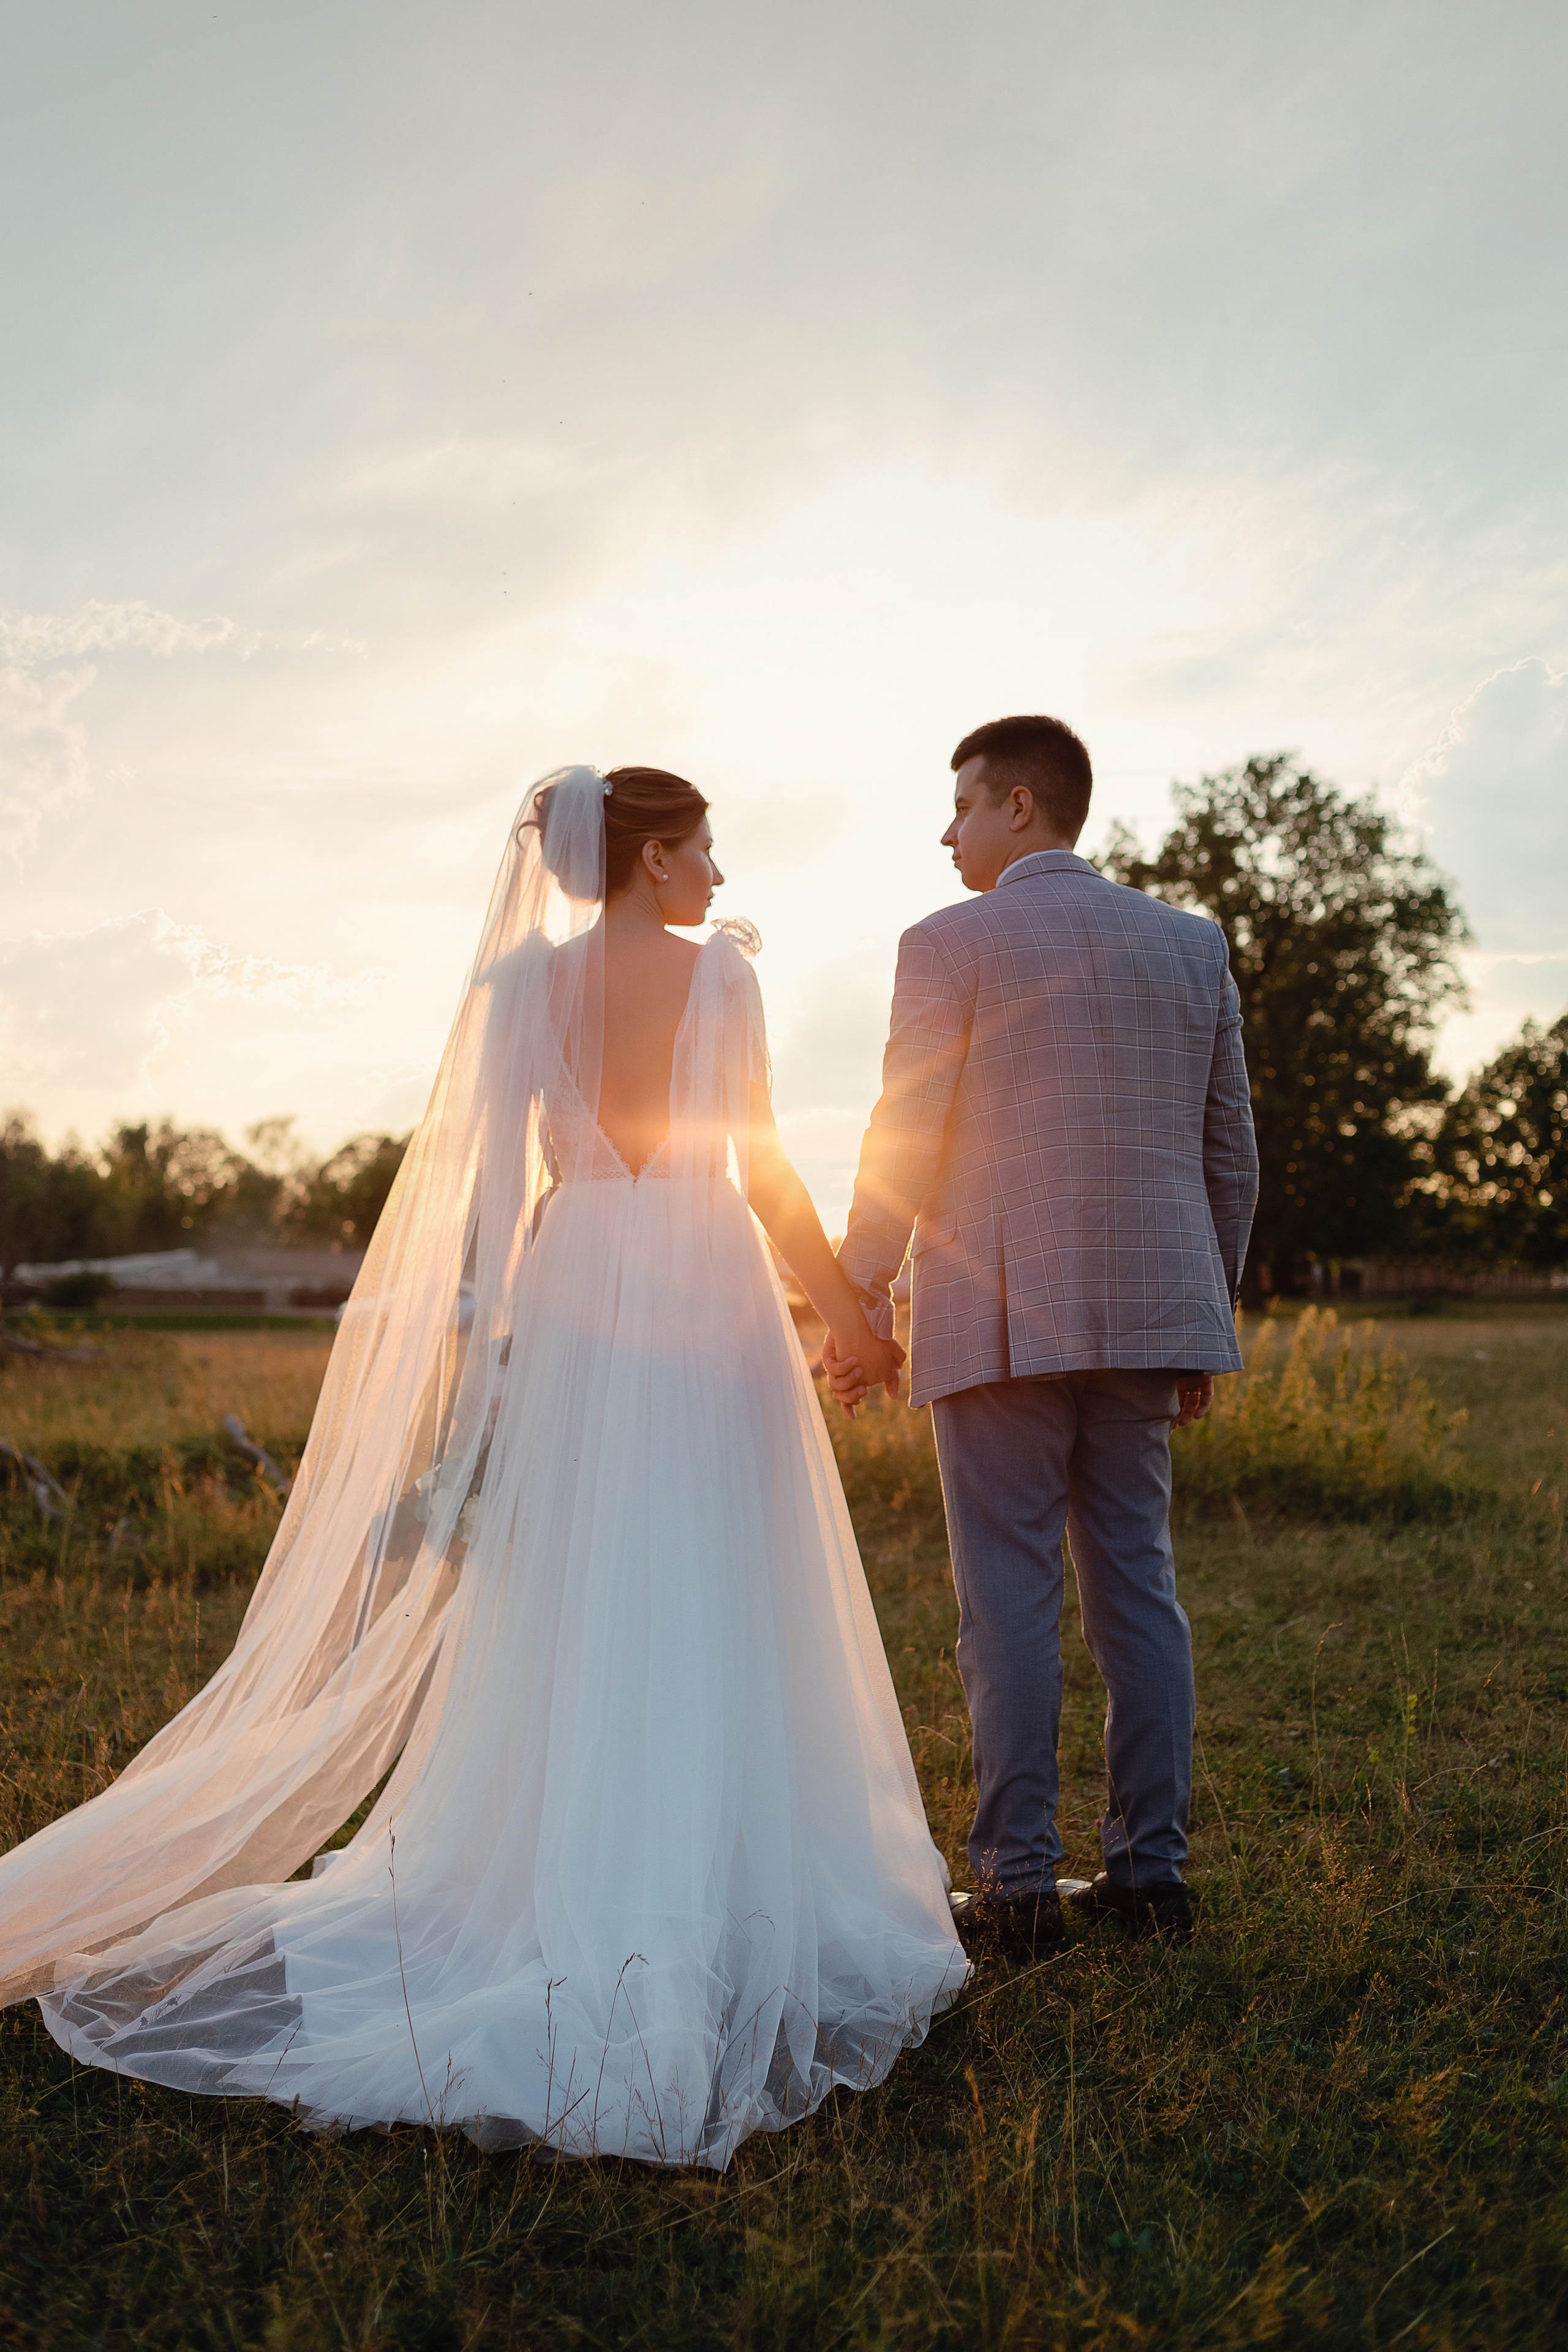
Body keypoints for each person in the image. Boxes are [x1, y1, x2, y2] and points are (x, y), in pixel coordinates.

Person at [0, 766, 965, 2168]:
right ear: (650, 857)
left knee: (577, 1581)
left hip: (575, 1281)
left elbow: (496, 1201)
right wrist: (848, 1321)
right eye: (703, 848)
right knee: (719, 1562)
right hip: (704, 1278)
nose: (716, 873)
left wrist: (501, 1363)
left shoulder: (522, 987)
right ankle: (710, 1876)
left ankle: (566, 1856)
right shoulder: (721, 978)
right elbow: (760, 1171)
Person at [824, 717, 1258, 1961]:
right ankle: (1151, 1877)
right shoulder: (1190, 943)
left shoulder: (945, 942)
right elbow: (1228, 1150)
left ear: (1019, 805)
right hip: (1149, 1319)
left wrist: (857, 1292)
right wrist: (1201, 1317)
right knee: (1140, 1592)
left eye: (961, 804)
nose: (946, 831)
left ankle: (1017, 1888)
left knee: (1006, 1603)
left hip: (998, 1320)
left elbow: (905, 1132)